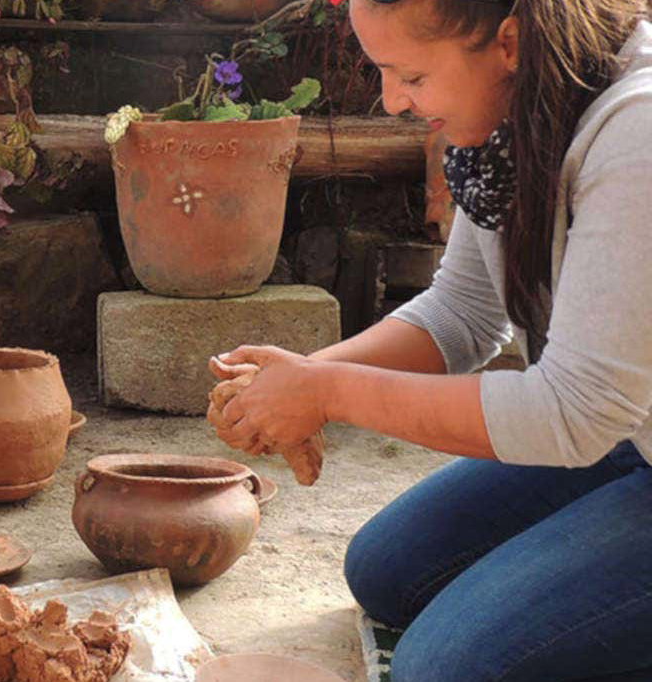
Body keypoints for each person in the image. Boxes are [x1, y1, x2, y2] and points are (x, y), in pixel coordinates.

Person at [209, 0, 652, 680]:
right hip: (630, 428)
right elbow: (465, 312)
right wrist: (297, 382)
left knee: (441, 667)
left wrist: (328, 392)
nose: (390, 102)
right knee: (386, 570)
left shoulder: (637, 135)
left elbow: (573, 413)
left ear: (509, 42)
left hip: (604, 421)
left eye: (410, 76)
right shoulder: (524, 112)